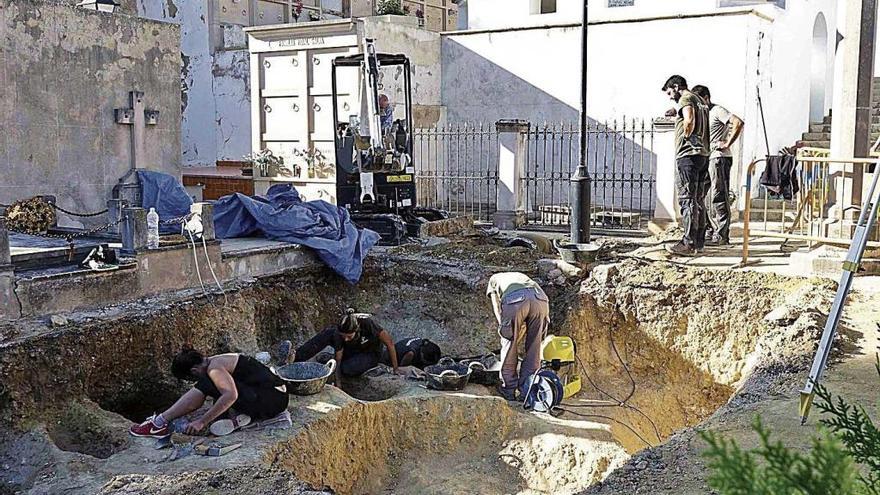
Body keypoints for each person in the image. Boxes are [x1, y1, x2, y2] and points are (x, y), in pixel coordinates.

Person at [129, 348, 289, 438]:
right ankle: (241, 417)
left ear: (193, 370)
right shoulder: (215, 360)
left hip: (273, 401)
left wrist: (202, 421)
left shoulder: (214, 368)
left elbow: (230, 395)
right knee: (210, 383)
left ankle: (159, 422)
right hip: (274, 395)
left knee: (207, 383)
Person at [661, 75, 711, 256]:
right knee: (698, 200)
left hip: (688, 155)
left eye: (669, 92)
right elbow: (690, 115)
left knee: (687, 199)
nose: (670, 97)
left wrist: (688, 136)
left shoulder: (686, 98)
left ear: (675, 86)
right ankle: (699, 242)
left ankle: (688, 244)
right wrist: (677, 114)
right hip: (702, 155)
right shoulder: (700, 100)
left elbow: (689, 119)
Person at [691, 85, 744, 246]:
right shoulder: (701, 113)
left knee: (718, 195)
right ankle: (707, 229)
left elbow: (738, 122)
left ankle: (722, 234)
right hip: (705, 157)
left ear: (706, 98)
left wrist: (727, 142)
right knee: (699, 196)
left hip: (718, 158)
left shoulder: (718, 111)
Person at [291, 309, 402, 384]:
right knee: (328, 334)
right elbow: (338, 359)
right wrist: (338, 384)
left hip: (370, 353)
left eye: (349, 336)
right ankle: (294, 358)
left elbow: (390, 343)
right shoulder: (339, 334)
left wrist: (395, 368)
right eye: (343, 336)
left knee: (347, 369)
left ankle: (331, 360)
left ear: (357, 330)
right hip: (351, 350)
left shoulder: (368, 324)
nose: (345, 339)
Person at [487, 272, 550, 401]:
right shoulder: (519, 276)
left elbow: (497, 308)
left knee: (509, 345)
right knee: (534, 348)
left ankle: (508, 389)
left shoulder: (493, 280)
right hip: (541, 300)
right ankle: (528, 392)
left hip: (515, 300)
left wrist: (507, 331)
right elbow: (529, 301)